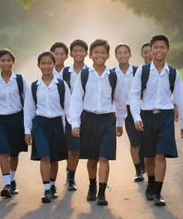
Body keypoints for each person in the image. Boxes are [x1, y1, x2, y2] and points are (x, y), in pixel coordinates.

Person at [130, 35, 183, 206]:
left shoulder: (172, 73)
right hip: (147, 116)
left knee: (160, 154)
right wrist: (136, 117)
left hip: (165, 117)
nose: (158, 50)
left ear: (167, 50)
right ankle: (151, 182)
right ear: (150, 50)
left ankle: (158, 192)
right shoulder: (143, 71)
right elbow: (133, 95)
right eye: (155, 47)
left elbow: (180, 97)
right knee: (149, 156)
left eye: (162, 47)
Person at [69, 39, 127, 206]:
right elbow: (76, 100)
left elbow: (120, 101)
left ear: (108, 55)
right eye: (96, 52)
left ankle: (102, 193)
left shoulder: (113, 76)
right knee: (92, 159)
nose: (99, 55)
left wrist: (120, 122)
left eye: (103, 52)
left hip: (108, 120)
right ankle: (92, 185)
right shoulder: (85, 75)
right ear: (90, 55)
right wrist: (75, 123)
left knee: (104, 157)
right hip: (89, 120)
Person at [24, 51, 70, 203]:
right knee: (44, 156)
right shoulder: (34, 86)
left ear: (54, 64)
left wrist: (72, 127)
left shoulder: (61, 85)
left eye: (49, 63)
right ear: (39, 65)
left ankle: (52, 184)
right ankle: (46, 191)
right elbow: (29, 109)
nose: (46, 66)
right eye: (43, 63)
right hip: (40, 124)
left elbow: (68, 108)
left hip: (57, 124)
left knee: (54, 159)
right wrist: (27, 131)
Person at [0, 48, 28, 198]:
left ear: (13, 62)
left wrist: (28, 125)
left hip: (17, 119)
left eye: (9, 60)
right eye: (3, 60)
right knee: (4, 152)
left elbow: (28, 102)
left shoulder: (20, 80)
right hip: (0, 120)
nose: (6, 63)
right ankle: (7, 184)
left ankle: (12, 179)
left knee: (14, 153)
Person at [113, 43, 145, 181]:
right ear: (115, 56)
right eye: (119, 53)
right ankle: (138, 170)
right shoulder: (112, 73)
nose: (123, 55)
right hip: (123, 109)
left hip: (139, 109)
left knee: (145, 140)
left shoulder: (138, 71)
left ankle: (145, 164)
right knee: (134, 141)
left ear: (130, 54)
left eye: (125, 52)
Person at [62, 39, 88, 191]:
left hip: (87, 114)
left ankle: (73, 172)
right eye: (75, 51)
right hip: (70, 115)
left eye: (81, 51)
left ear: (86, 53)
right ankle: (71, 178)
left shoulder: (90, 71)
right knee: (72, 148)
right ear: (70, 54)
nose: (78, 53)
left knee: (80, 149)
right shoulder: (65, 72)